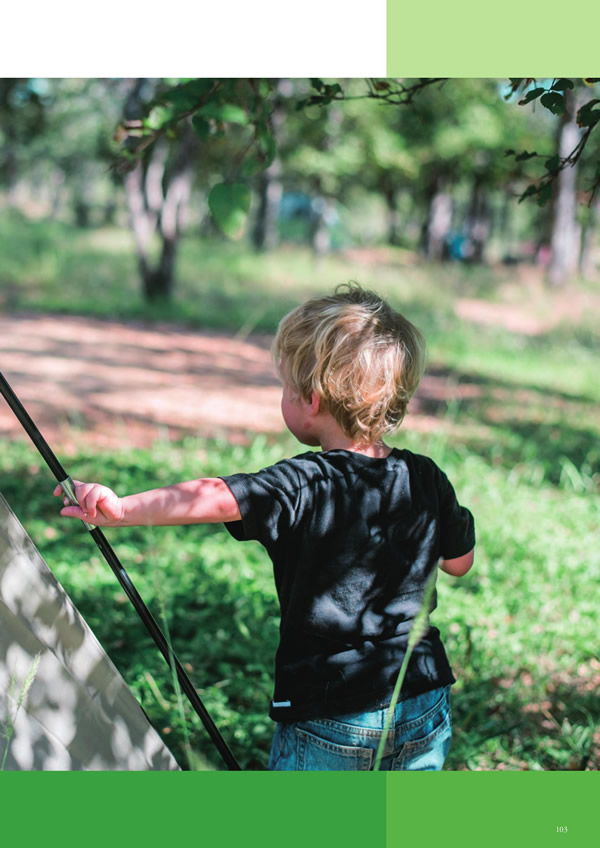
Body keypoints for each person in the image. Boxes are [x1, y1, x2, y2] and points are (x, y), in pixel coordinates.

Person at [55, 282, 475, 771]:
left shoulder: (305, 482)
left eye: (285, 388)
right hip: (421, 698)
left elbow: (214, 496)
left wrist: (122, 509)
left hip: (332, 712)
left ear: (311, 400)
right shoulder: (424, 476)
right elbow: (459, 563)